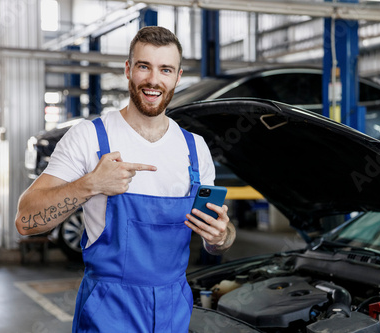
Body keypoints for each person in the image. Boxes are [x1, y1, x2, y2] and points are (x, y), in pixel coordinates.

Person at [15, 26, 236, 332]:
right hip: (109, 312)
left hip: (174, 312)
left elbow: (218, 243)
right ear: (129, 70)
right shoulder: (88, 136)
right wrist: (91, 184)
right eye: (144, 66)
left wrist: (220, 237)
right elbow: (26, 221)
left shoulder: (195, 149)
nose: (153, 80)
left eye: (165, 69)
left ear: (178, 76)